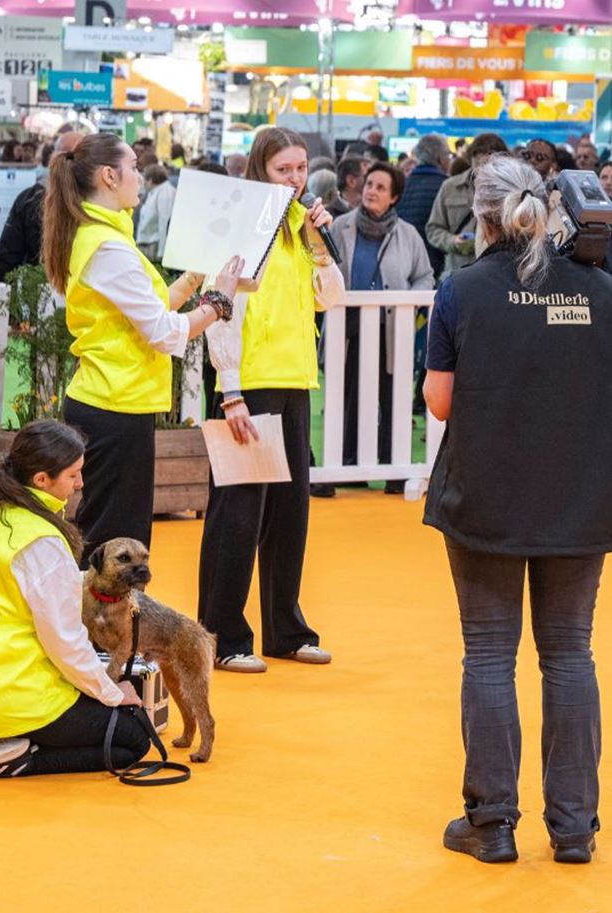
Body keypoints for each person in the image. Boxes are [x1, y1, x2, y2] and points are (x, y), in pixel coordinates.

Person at [423, 153, 612, 865]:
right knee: (569, 653)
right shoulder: (600, 289)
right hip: (581, 496)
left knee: (489, 654)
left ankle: (492, 821)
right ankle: (574, 827)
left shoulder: (461, 291)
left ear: (480, 216)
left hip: (486, 494)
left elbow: (440, 402)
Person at [42, 132, 243, 568]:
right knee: (115, 543)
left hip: (116, 400)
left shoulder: (105, 236)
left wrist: (195, 277)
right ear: (109, 176)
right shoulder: (107, 245)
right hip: (114, 404)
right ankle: (96, 615)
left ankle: (104, 614)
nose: (141, 174)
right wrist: (219, 302)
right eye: (133, 166)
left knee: (116, 536)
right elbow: (164, 332)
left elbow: (152, 308)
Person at [0, 420, 151, 780]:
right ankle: (22, 757)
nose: (80, 483)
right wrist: (111, 692)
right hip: (18, 697)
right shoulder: (43, 542)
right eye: (73, 475)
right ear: (42, 480)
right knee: (134, 737)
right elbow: (65, 642)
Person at [199, 126, 345, 673]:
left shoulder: (302, 226)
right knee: (237, 515)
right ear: (260, 169)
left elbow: (332, 297)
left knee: (289, 515)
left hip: (295, 381)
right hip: (248, 384)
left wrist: (317, 241)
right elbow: (221, 310)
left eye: (301, 168)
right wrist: (230, 390)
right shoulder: (240, 223)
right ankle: (222, 636)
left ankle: (286, 630)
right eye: (284, 169)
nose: (296, 178)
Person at [331, 162, 433, 481]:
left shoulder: (408, 234)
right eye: (369, 185)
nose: (371, 191)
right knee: (350, 395)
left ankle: (394, 467)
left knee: (393, 397)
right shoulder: (340, 227)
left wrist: (407, 303)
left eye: (380, 187)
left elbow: (425, 277)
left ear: (394, 197)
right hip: (349, 329)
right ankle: (349, 465)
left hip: (393, 330)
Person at [0, 132, 83, 283]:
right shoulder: (97, 201)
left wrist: (6, 292)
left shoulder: (28, 199)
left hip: (37, 288)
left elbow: (7, 259)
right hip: (76, 290)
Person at [426, 132, 508, 280]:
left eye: (488, 166)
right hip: (457, 272)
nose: (482, 172)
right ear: (471, 160)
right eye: (478, 165)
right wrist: (453, 241)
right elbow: (433, 229)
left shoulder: (509, 190)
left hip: (497, 274)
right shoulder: (450, 186)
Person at [396, 133, 450, 282]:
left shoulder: (400, 186)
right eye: (448, 155)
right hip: (436, 267)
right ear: (440, 158)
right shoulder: (447, 187)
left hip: (402, 264)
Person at [135, 162, 176, 262]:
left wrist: (162, 252)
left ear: (151, 180)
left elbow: (164, 221)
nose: (144, 184)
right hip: (149, 242)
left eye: (145, 180)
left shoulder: (165, 192)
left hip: (155, 245)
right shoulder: (155, 192)